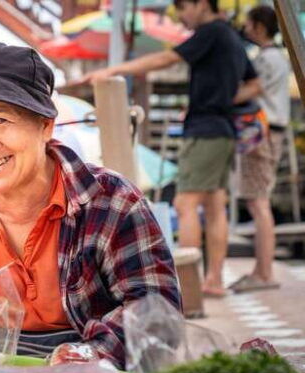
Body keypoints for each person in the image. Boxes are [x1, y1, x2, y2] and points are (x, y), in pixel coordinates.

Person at [0, 42, 181, 370]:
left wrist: (86, 357)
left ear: (46, 126)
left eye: (2, 120)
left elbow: (159, 312)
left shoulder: (114, 204)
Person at [78, 0, 262, 298]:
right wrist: (223, 98)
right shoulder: (230, 35)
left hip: (205, 130)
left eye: (184, 7)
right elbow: (255, 85)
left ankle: (189, 289)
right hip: (223, 129)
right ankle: (212, 280)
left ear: (202, 4)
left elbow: (165, 60)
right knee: (215, 206)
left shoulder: (212, 31)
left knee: (186, 205)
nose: (182, 15)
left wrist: (115, 69)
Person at [229, 6, 291, 293]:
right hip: (269, 130)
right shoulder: (276, 56)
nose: (247, 28)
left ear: (260, 27)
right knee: (258, 200)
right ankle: (260, 269)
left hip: (262, 131)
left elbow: (253, 90)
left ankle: (264, 272)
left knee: (258, 202)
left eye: (251, 23)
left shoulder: (268, 58)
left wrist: (219, 99)